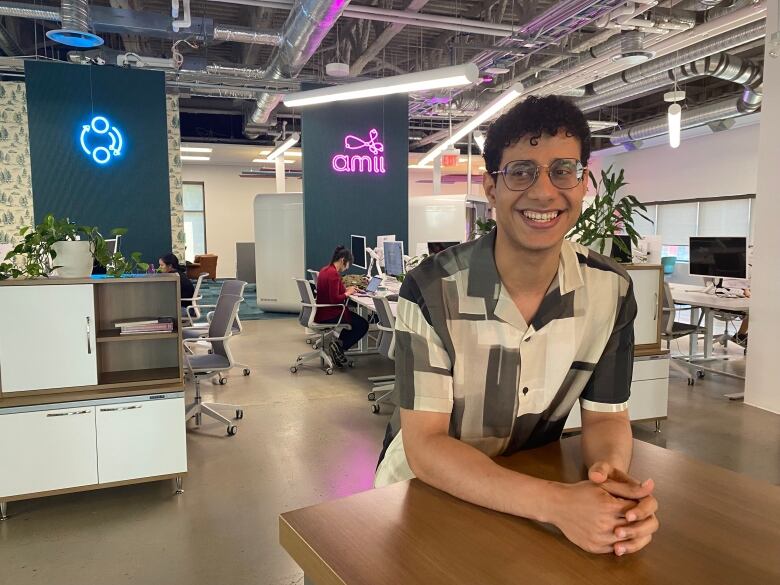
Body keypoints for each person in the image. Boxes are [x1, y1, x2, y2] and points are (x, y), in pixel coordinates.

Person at [375, 95, 659, 556]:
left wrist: (613, 490)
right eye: (521, 171)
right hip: (421, 493)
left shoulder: (612, 290)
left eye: (562, 171)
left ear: (584, 183)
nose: (545, 192)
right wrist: (556, 504)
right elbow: (424, 446)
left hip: (525, 489)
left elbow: (607, 418)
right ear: (491, 189)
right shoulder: (431, 290)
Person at [315, 246, 369, 367]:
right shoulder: (334, 274)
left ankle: (338, 346)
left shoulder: (325, 270)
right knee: (362, 325)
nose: (347, 267)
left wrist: (347, 290)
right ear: (342, 260)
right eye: (348, 264)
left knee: (356, 322)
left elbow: (333, 292)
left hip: (323, 312)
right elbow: (335, 299)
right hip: (331, 313)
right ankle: (340, 347)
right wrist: (347, 293)